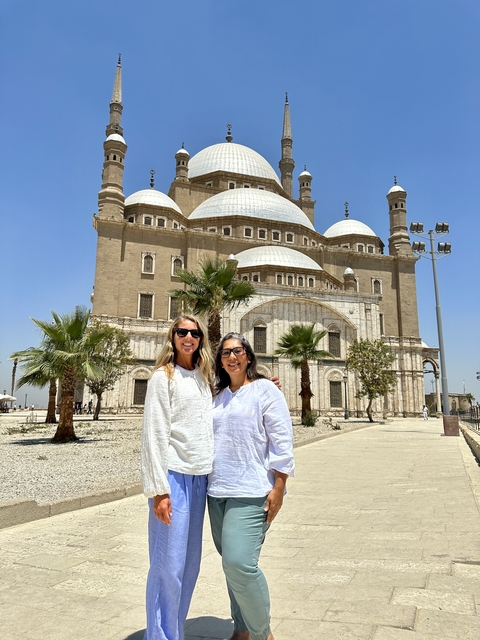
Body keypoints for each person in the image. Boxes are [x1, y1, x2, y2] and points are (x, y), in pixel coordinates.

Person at [207, 333, 295, 640]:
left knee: (239, 562)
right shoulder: (216, 396)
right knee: (230, 563)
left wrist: (279, 487)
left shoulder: (265, 391)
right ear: (220, 360)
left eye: (238, 351)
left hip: (252, 491)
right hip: (217, 492)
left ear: (248, 356)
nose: (232, 357)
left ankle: (263, 634)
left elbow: (282, 440)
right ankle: (241, 628)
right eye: (226, 352)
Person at [141, 314, 214, 640]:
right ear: (173, 337)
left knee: (188, 566)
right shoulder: (162, 377)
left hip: (199, 480)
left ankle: (174, 631)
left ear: (200, 338)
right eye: (182, 332)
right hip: (173, 479)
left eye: (194, 333)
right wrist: (159, 490)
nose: (188, 337)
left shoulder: (202, 377)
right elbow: (154, 434)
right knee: (167, 566)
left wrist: (262, 386)